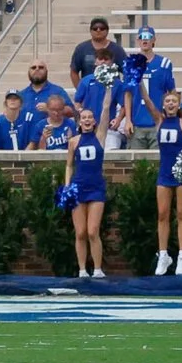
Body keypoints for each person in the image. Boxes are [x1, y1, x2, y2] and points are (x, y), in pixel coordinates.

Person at [154, 89, 182, 277]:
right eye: (167, 100)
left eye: (174, 101)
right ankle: (163, 255)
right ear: (163, 104)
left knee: (181, 214)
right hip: (164, 172)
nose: (170, 103)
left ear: (178, 105)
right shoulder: (159, 121)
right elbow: (146, 99)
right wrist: (137, 82)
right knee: (162, 214)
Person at [65, 106, 108, 278]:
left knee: (92, 231)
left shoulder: (100, 137)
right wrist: (67, 187)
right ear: (79, 122)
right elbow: (68, 165)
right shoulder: (73, 142)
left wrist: (108, 88)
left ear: (94, 121)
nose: (87, 120)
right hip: (78, 188)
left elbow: (105, 110)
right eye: (84, 117)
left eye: (90, 117)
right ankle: (82, 270)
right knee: (80, 232)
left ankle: (97, 270)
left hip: (96, 188)